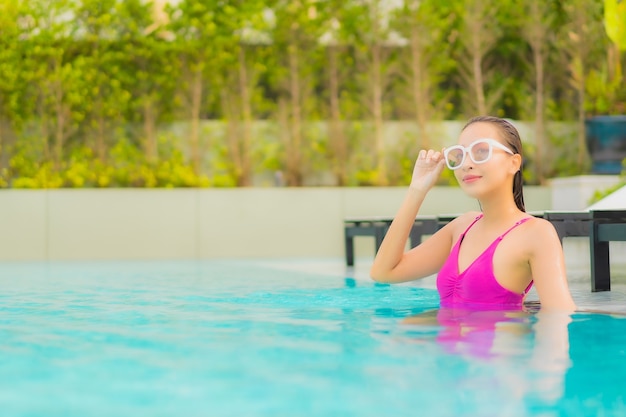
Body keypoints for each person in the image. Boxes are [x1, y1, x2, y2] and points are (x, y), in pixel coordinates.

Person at [369, 116, 576, 311]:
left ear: (513, 163)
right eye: (459, 155)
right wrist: (417, 190)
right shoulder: (462, 227)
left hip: (498, 349)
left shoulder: (536, 233)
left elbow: (559, 315)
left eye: (480, 151)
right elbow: (384, 272)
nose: (466, 164)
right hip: (446, 348)